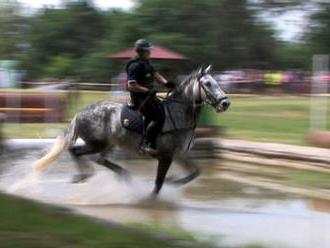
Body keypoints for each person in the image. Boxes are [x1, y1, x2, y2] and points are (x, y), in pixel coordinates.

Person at [126, 39, 175, 155]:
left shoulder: (146, 63)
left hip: (148, 96)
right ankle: (148, 144)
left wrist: (166, 83)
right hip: (139, 99)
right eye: (148, 51)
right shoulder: (135, 66)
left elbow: (155, 74)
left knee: (164, 109)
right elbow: (131, 85)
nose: (150, 53)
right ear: (140, 52)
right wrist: (147, 90)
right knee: (158, 118)